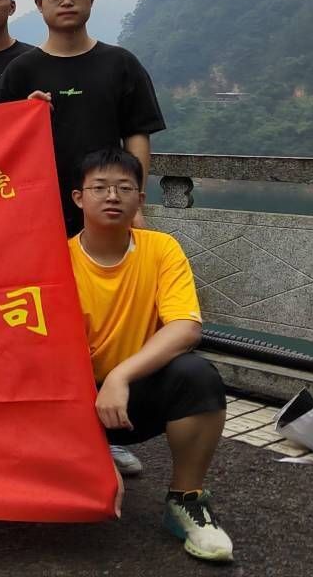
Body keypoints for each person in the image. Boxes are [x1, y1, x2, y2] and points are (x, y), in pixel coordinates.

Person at [70, 148, 232, 563]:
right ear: (78, 198)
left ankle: (186, 499)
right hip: (69, 403)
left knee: (197, 377)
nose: (112, 196)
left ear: (140, 200)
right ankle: (81, 462)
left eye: (124, 188)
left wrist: (120, 377)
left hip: (130, 399)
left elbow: (186, 327)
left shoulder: (161, 249)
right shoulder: (56, 260)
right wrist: (89, 451)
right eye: (100, 187)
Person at [0, 0, 164, 237]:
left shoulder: (121, 63)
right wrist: (23, 116)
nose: (67, 1)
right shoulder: (20, 71)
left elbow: (136, 135)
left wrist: (133, 203)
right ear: (39, 4)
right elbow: (0, 145)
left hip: (105, 205)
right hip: (37, 208)